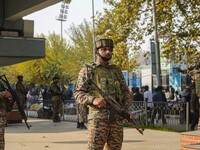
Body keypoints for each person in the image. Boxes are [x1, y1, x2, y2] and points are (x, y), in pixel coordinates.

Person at [74, 38, 131, 150]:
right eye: (104, 49)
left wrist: (125, 110)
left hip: (116, 119)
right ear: (97, 52)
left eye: (110, 49)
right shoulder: (89, 69)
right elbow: (78, 93)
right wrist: (93, 99)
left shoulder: (116, 70)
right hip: (98, 120)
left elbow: (125, 92)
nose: (108, 52)